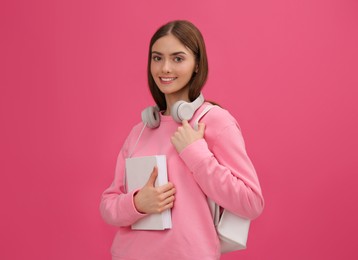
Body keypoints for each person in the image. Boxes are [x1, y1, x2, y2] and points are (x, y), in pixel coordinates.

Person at [100, 20, 264, 260]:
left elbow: (251, 202)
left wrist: (196, 153)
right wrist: (137, 203)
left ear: (197, 65)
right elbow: (108, 206)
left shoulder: (216, 122)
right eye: (157, 58)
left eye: (178, 58)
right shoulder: (141, 130)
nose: (165, 68)